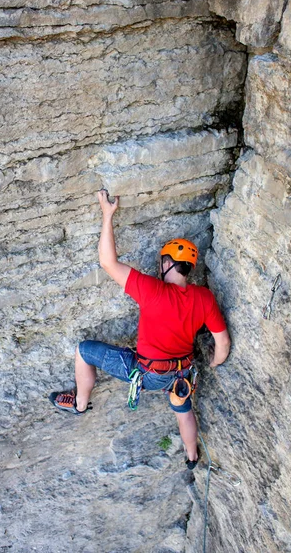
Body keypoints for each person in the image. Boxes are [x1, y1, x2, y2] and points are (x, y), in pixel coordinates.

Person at [49, 189, 230, 469]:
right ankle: (192, 456)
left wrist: (107, 215)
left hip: (148, 372)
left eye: (162, 262)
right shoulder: (203, 297)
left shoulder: (153, 290)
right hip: (181, 373)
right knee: (183, 410)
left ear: (167, 263)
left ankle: (80, 403)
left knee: (85, 351)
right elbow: (223, 343)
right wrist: (216, 363)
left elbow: (108, 263)